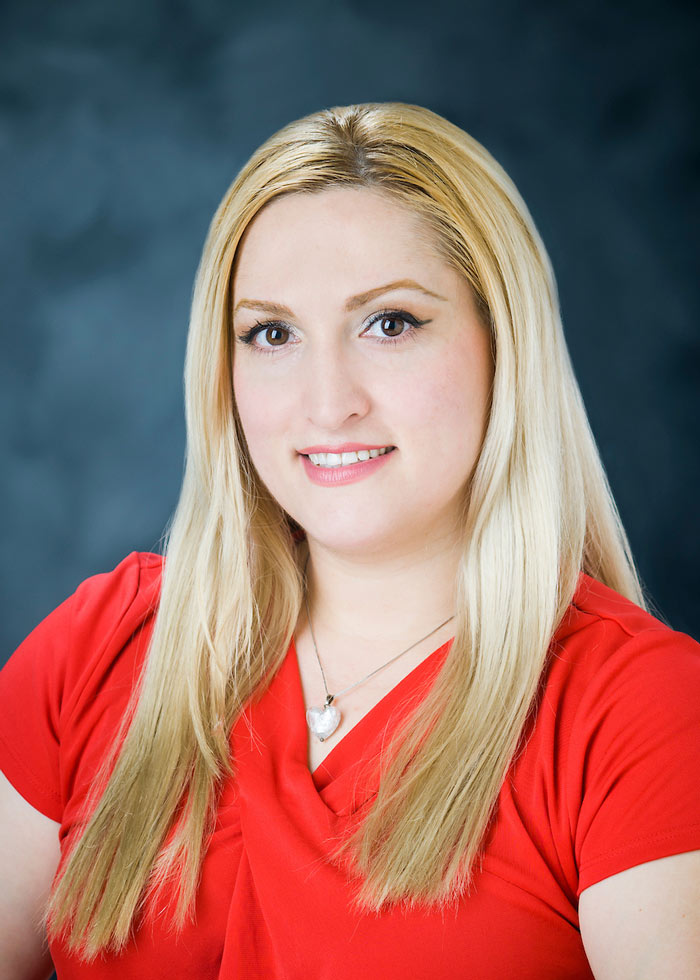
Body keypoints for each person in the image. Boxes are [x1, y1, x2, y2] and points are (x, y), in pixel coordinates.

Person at [1, 102, 699, 979]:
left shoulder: (638, 713)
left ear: (503, 345)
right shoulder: (101, 645)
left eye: (391, 324)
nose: (328, 402)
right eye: (273, 333)